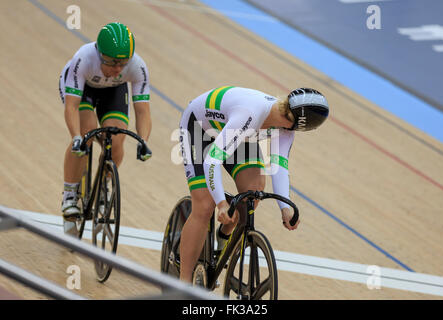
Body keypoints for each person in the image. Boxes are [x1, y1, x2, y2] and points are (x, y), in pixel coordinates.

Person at [178, 86, 329, 283]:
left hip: (236, 133)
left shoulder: (285, 128)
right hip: (200, 129)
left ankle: (221, 242)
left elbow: (279, 167)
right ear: (302, 125)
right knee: (205, 206)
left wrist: (285, 208)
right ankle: (182, 283)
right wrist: (221, 203)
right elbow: (211, 161)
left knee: (253, 193)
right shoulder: (250, 113)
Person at [59, 22, 152, 235]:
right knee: (86, 134)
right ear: (99, 54)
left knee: (117, 137)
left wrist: (143, 140)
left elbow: (142, 111)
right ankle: (70, 194)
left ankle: (104, 185)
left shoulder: (137, 66)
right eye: (112, 63)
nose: (118, 69)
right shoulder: (83, 59)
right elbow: (72, 106)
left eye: (123, 63)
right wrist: (75, 137)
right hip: (82, 91)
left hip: (113, 91)